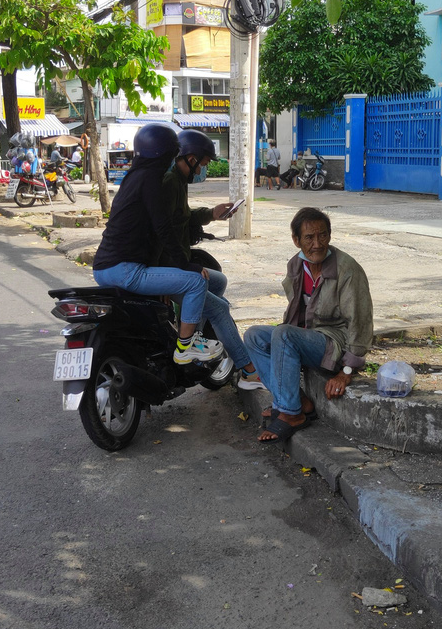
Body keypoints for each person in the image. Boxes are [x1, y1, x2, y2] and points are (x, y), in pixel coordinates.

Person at [92, 123, 223, 365]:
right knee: (196, 281)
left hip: (103, 268)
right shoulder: (152, 179)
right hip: (127, 270)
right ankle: (186, 346)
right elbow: (163, 228)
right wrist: (185, 265)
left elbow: (149, 231)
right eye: (172, 155)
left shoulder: (133, 177)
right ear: (165, 154)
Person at [243, 207, 373, 442]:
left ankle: (291, 414)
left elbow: (360, 322)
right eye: (309, 238)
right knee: (254, 335)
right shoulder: (296, 265)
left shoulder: (347, 269)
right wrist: (287, 341)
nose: (317, 244)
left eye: (322, 235)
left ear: (330, 236)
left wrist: (346, 372)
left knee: (283, 334)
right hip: (310, 338)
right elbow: (295, 313)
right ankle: (297, 402)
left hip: (336, 344)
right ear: (296, 240)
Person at [159, 129, 264, 390]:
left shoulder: (179, 180)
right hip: (168, 266)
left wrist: (212, 213)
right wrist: (171, 275)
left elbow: (182, 218)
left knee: (218, 281)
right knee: (219, 308)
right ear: (191, 158)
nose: (203, 170)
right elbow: (162, 232)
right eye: (203, 163)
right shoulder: (170, 181)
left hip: (175, 262)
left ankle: (191, 332)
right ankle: (248, 370)